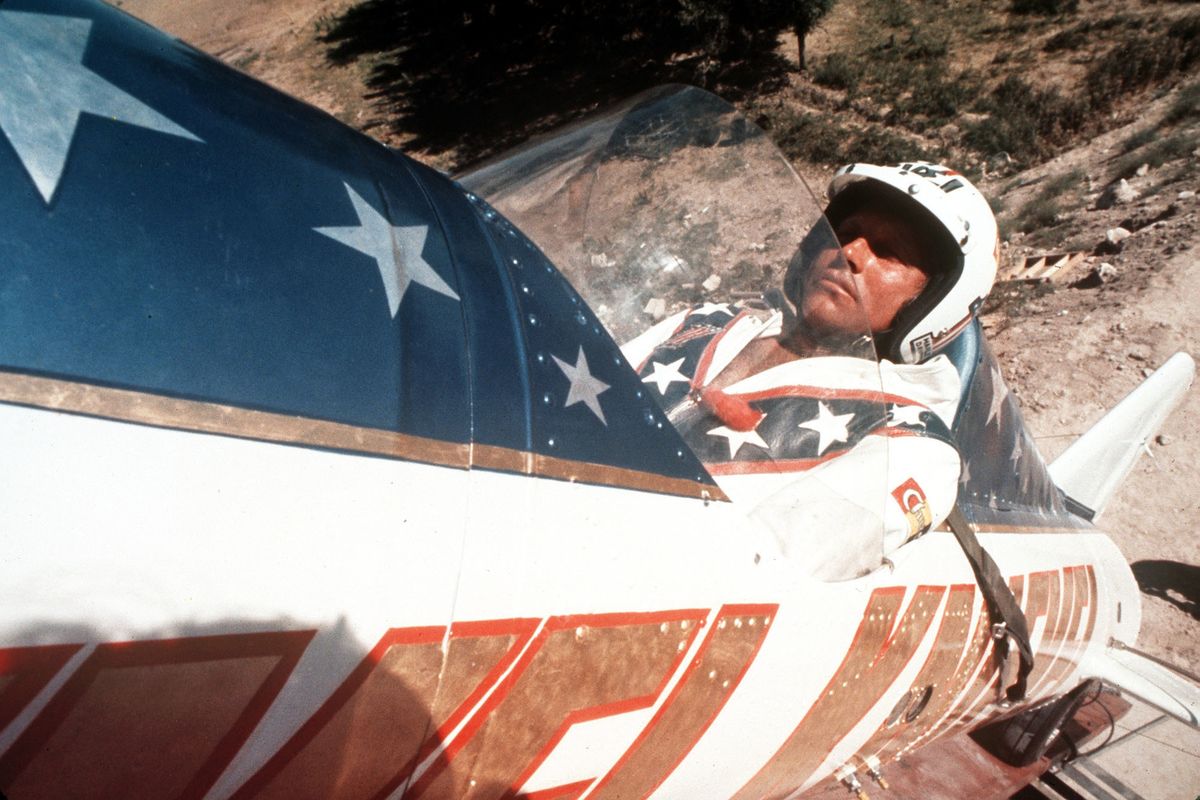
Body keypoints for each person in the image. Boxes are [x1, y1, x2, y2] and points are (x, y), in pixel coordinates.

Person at [621, 162, 999, 579]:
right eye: (846, 232)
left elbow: (761, 570)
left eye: (889, 251)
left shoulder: (909, 442)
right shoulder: (706, 320)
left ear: (933, 300)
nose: (850, 253)